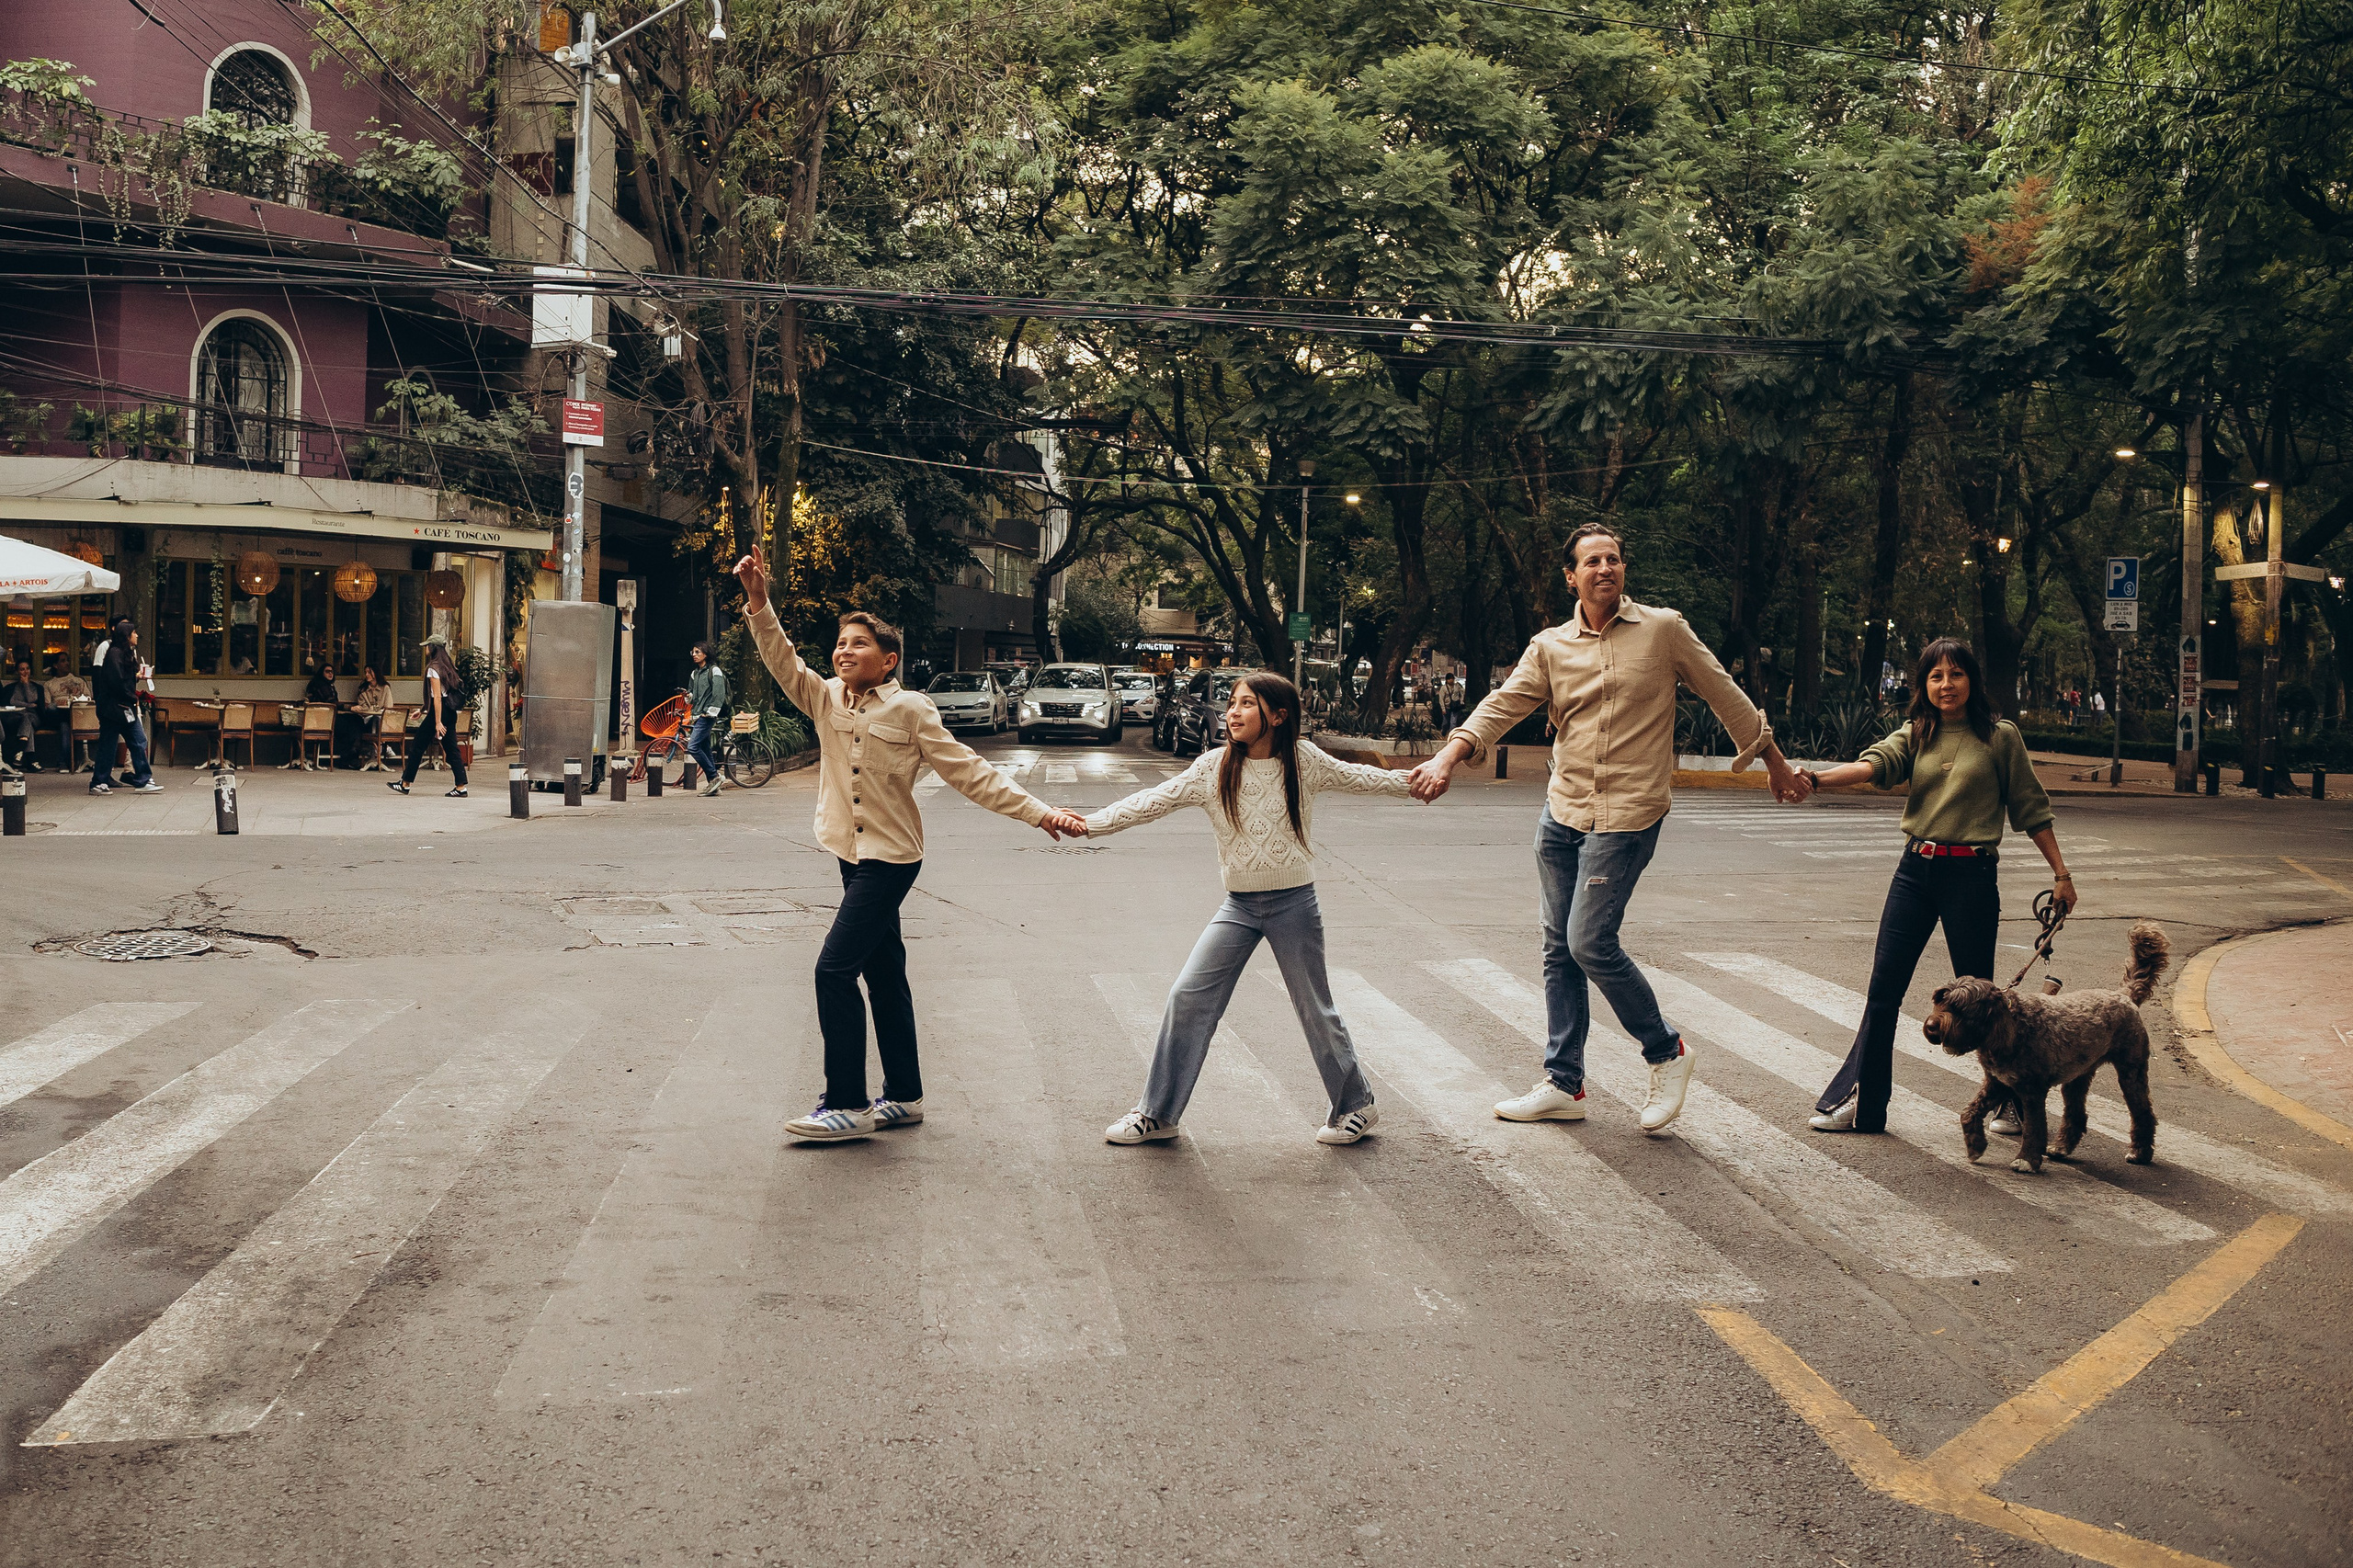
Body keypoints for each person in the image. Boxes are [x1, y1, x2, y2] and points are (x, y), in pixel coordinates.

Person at [1407, 524, 1810, 1134]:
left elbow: (1725, 694)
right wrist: (1446, 757)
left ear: (1623, 570)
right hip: (1562, 811)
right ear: (1571, 576)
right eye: (1592, 561)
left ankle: (1665, 1051)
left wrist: (1774, 763)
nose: (1605, 568)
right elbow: (1503, 703)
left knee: (1590, 942)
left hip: (1628, 813)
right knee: (1557, 948)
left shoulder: (1664, 630)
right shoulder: (1551, 646)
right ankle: (1564, 1083)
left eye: (1614, 559)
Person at [731, 552, 1088, 1142]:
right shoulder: (825, 698)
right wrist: (759, 601)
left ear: (888, 659)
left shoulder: (911, 708)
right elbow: (781, 659)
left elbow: (968, 770)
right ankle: (904, 1094)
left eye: (859, 644)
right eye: (841, 643)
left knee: (832, 971)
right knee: (885, 973)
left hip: (891, 860)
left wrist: (1038, 812)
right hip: (849, 853)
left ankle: (847, 1101)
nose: (844, 652)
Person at [1083, 672, 1425, 1146]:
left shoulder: (1303, 761)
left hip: (1294, 904)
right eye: (1232, 703)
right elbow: (1150, 801)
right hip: (1238, 907)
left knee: (1314, 1008)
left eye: (1247, 704)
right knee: (1188, 996)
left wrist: (1421, 781)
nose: (1233, 712)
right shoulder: (1212, 768)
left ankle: (1356, 1106)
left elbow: (1365, 778)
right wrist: (1090, 825)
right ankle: (1158, 1114)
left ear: (1278, 715)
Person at [1796, 639, 2074, 1135]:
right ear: (1923, 685)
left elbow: (2031, 809)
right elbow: (1873, 764)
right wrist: (1815, 780)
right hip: (1915, 872)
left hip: (1971, 878)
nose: (1947, 685)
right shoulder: (1916, 734)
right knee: (1883, 991)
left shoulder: (1999, 737)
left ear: (1973, 681)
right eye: (1936, 677)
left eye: (1956, 675)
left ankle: (2010, 1101)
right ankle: (1863, 1104)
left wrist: (2061, 875)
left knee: (1983, 1003)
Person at [387, 636, 468, 797]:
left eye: (427, 646)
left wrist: (437, 722)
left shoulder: (433, 668)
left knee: (417, 746)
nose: (424, 649)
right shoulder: (448, 666)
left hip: (439, 713)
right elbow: (441, 695)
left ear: (432, 648)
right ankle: (461, 786)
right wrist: (423, 709)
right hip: (449, 712)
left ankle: (405, 783)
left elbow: (437, 697)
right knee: (452, 749)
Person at [88, 617, 161, 795]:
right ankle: (99, 782)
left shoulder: (125, 652)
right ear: (126, 635)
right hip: (114, 708)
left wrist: (137, 677)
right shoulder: (114, 653)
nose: (136, 635)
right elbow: (116, 681)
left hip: (123, 706)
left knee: (138, 740)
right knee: (110, 745)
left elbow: (123, 677)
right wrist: (132, 696)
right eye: (134, 632)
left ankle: (143, 779)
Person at [685, 640, 730, 797]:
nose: (694, 655)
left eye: (698, 652)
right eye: (693, 652)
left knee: (693, 747)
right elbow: (692, 695)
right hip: (697, 714)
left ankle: (714, 775)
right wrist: (688, 696)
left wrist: (711, 712)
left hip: (707, 715)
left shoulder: (714, 671)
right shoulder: (695, 673)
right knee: (704, 748)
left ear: (706, 653)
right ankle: (713, 784)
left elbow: (719, 694)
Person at [2, 658, 44, 770]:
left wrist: (26, 685)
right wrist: (29, 705)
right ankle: (31, 759)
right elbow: (12, 701)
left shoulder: (37, 687)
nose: (25, 672)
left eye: (27, 669)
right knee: (26, 720)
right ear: (17, 672)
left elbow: (32, 699)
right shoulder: (12, 688)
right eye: (22, 669)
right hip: (16, 716)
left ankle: (20, 750)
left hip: (34, 716)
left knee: (28, 717)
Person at [342, 665, 387, 767]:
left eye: (369, 672)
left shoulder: (385, 688)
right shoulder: (363, 690)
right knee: (372, 719)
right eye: (365, 672)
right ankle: (380, 746)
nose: (366, 675)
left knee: (379, 718)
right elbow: (363, 709)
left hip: (382, 719)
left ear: (376, 673)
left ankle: (380, 744)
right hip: (366, 720)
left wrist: (375, 709)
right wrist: (375, 709)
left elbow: (388, 706)